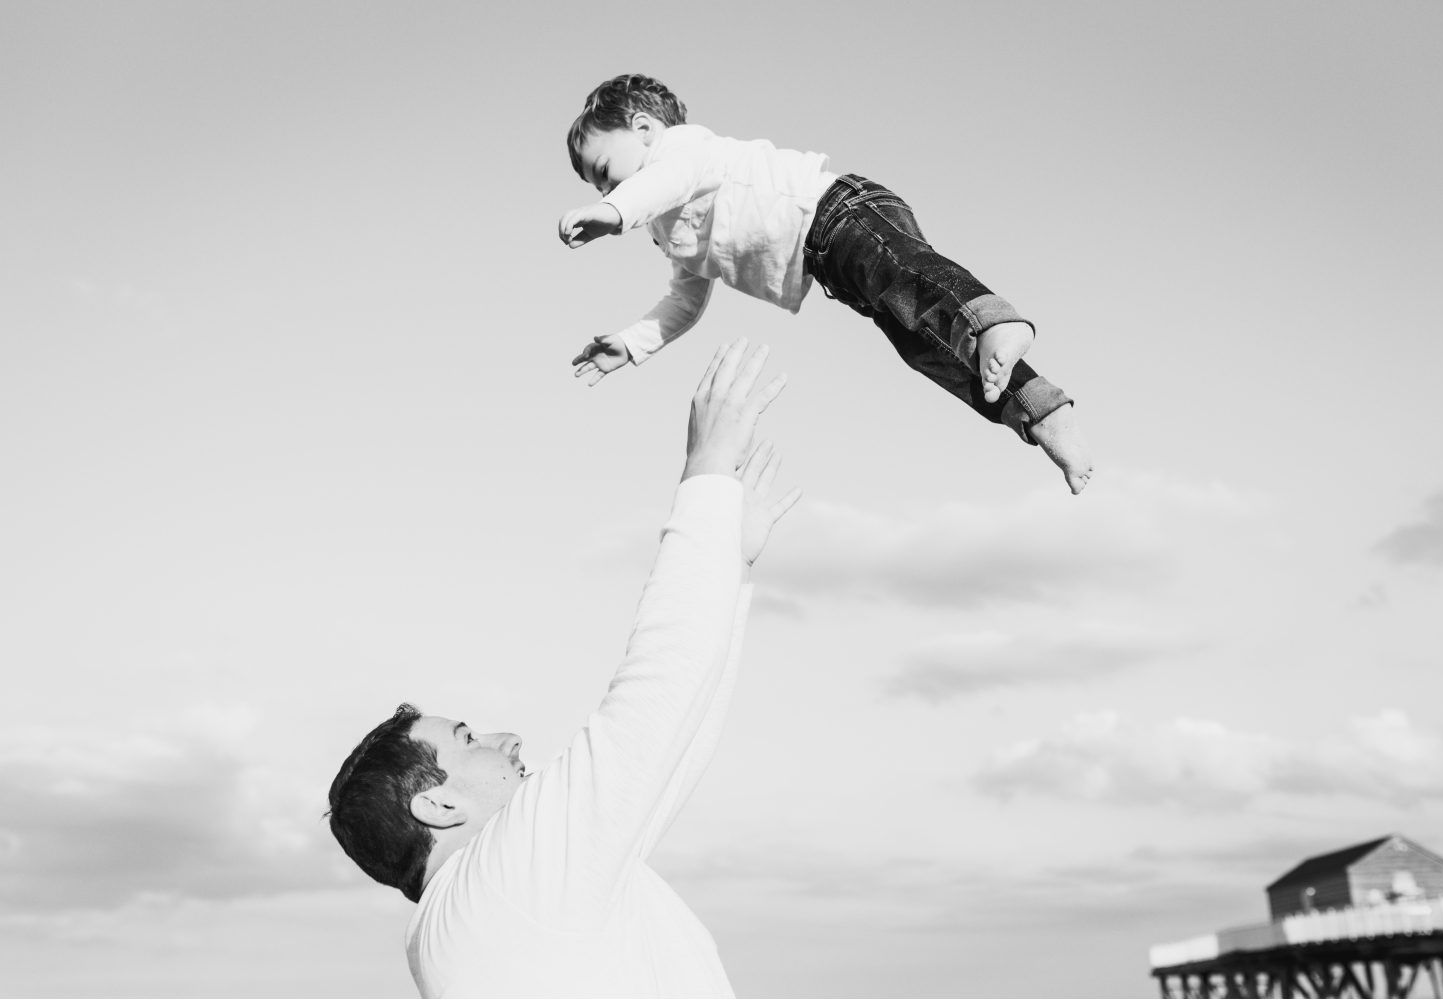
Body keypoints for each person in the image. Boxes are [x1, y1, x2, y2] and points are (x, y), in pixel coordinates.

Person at [326, 340, 799, 998]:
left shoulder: (476, 919)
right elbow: (652, 699)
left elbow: (672, 746)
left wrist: (733, 568)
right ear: (438, 802)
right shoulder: (505, 880)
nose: (508, 737)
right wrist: (707, 470)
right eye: (468, 739)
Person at [559, 74, 1094, 494]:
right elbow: (686, 297)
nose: (607, 184)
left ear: (644, 127)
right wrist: (632, 342)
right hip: (834, 269)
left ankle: (994, 319)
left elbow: (659, 183)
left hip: (838, 213)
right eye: (598, 183)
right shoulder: (667, 227)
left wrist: (612, 210)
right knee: (927, 346)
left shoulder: (683, 152)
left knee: (907, 273)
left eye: (604, 168)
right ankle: (1039, 410)